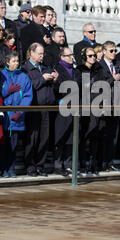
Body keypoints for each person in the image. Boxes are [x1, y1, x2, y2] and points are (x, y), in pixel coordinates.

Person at [22, 43, 57, 177]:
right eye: (39, 53)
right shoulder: (25, 68)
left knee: (44, 138)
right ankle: (30, 165)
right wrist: (42, 79)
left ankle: (40, 165)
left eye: (43, 54)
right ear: (31, 53)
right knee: (32, 138)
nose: (42, 56)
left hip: (46, 107)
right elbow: (27, 86)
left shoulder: (45, 67)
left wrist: (54, 80)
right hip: (33, 108)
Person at [0, 51, 33, 177]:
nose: (16, 63)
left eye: (17, 61)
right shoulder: (0, 74)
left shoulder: (23, 77)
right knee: (3, 144)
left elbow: (27, 96)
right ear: (7, 62)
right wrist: (7, 91)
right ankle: (2, 168)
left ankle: (11, 168)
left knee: (13, 144)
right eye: (14, 61)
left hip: (17, 116)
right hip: (5, 114)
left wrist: (20, 112)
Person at [53, 47, 81, 176]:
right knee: (61, 135)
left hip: (74, 107)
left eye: (72, 55)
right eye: (68, 55)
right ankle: (58, 164)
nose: (71, 58)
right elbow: (57, 87)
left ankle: (68, 164)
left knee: (72, 136)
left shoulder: (76, 71)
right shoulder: (56, 69)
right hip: (61, 107)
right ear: (62, 57)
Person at [95, 41, 120, 172]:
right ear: (104, 51)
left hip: (115, 104)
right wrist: (113, 79)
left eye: (115, 51)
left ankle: (110, 161)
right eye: (111, 51)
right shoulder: (99, 65)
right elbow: (99, 84)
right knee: (103, 135)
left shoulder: (117, 65)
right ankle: (102, 162)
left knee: (113, 135)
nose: (113, 53)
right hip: (104, 104)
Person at [76, 47, 101, 173]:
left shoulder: (98, 70)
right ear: (84, 57)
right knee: (83, 135)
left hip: (96, 106)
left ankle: (92, 163)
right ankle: (82, 162)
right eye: (90, 55)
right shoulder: (79, 70)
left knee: (94, 136)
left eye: (94, 56)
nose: (93, 58)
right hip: (84, 106)